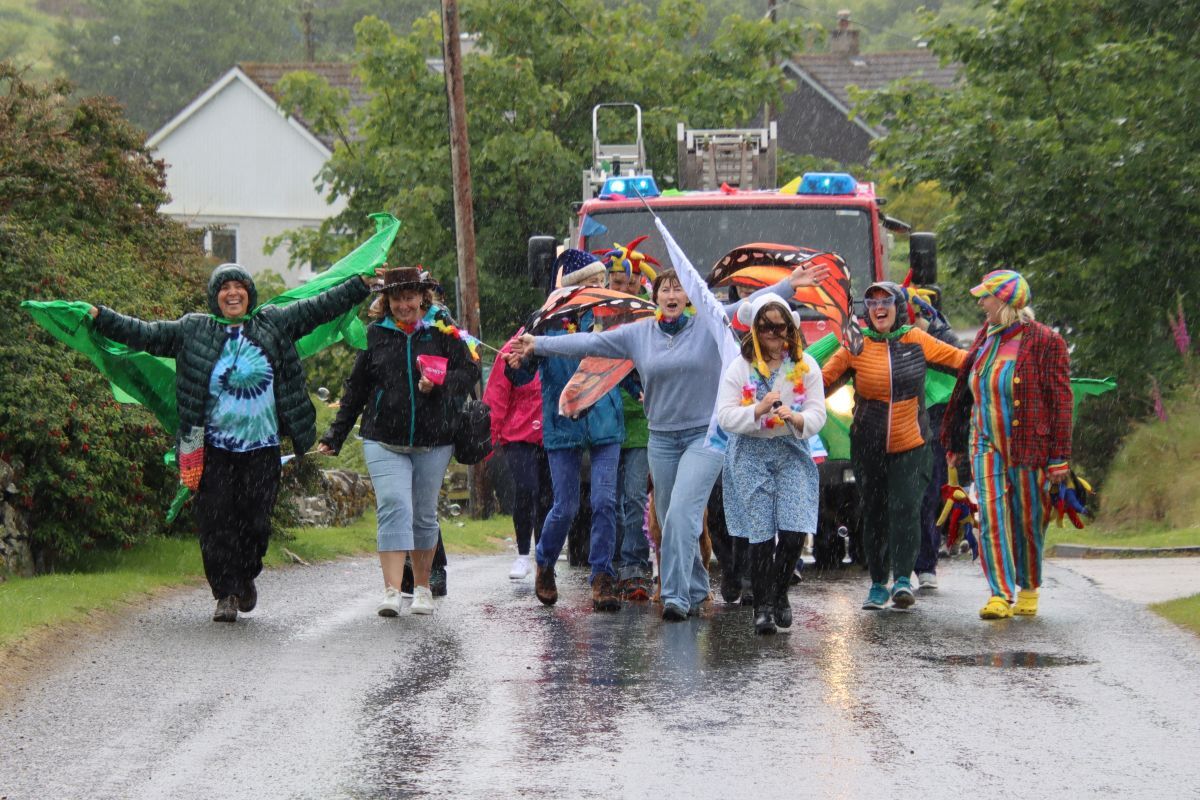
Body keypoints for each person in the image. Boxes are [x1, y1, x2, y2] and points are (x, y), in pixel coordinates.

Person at [510, 261, 828, 621]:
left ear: (689, 296)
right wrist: (538, 344)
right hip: (660, 438)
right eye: (666, 289)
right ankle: (695, 585)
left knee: (680, 514)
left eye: (679, 289)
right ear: (655, 295)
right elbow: (591, 341)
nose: (672, 295)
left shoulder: (708, 323)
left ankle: (674, 596)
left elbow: (749, 308)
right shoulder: (638, 333)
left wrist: (789, 285)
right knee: (670, 517)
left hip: (704, 437)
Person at [89, 263, 372, 622]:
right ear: (215, 296)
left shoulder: (273, 323)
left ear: (249, 294)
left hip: (262, 448)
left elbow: (320, 307)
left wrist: (360, 285)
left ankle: (245, 575)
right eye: (225, 287)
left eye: (239, 286)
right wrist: (101, 317)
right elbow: (146, 334)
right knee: (215, 520)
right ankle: (225, 592)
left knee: (255, 521)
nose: (232, 293)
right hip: (212, 449)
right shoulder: (193, 329)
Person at [318, 267, 480, 617]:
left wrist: (440, 384)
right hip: (383, 439)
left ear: (423, 297)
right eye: (396, 298)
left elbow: (470, 373)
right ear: (386, 301)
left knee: (423, 516)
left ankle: (422, 588)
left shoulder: (444, 332)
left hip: (434, 441)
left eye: (410, 297)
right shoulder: (375, 335)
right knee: (394, 506)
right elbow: (356, 390)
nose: (404, 305)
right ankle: (392, 591)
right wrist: (335, 434)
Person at [822, 281, 966, 611]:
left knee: (905, 508)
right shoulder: (856, 345)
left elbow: (961, 361)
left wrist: (995, 359)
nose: (879, 308)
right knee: (873, 511)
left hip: (912, 442)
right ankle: (877, 584)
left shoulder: (915, 339)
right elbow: (820, 380)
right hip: (868, 444)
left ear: (897, 307)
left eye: (886, 301)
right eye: (872, 304)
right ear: (866, 311)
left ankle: (902, 580)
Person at [941, 269, 1072, 620]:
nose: (981, 303)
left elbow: (1061, 399)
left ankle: (1029, 585)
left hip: (1031, 445)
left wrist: (1059, 456)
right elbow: (963, 393)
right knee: (989, 515)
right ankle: (1000, 592)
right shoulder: (987, 337)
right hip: (984, 443)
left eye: (986, 297)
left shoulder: (1046, 341)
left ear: (1005, 301)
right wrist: (954, 439)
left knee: (1029, 518)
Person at [505, 249, 626, 612]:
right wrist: (518, 364)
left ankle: (602, 575)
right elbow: (522, 371)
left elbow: (631, 367)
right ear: (573, 286)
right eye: (590, 282)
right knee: (567, 505)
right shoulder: (546, 321)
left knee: (605, 501)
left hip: (606, 420)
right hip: (562, 422)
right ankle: (544, 560)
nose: (598, 288)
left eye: (600, 282)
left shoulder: (613, 318)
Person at [715, 296, 826, 634]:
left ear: (790, 329)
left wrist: (797, 416)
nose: (774, 334)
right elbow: (724, 415)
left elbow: (818, 413)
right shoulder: (740, 367)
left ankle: (780, 593)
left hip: (791, 449)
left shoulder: (805, 365)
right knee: (760, 533)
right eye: (766, 327)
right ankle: (762, 607)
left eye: (780, 327)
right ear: (755, 330)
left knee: (794, 530)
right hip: (750, 452)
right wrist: (758, 410)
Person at [604, 245, 655, 601]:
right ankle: (609, 564)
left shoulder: (651, 321)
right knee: (609, 500)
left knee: (636, 496)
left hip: (640, 422)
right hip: (605, 419)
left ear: (640, 284)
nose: (624, 288)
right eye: (617, 281)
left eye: (629, 281)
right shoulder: (595, 317)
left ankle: (635, 565)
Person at [483, 333, 551, 581]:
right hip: (518, 435)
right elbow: (496, 395)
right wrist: (489, 440)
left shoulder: (561, 341)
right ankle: (523, 554)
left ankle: (544, 559)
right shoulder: (512, 348)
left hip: (553, 434)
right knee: (526, 489)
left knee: (548, 497)